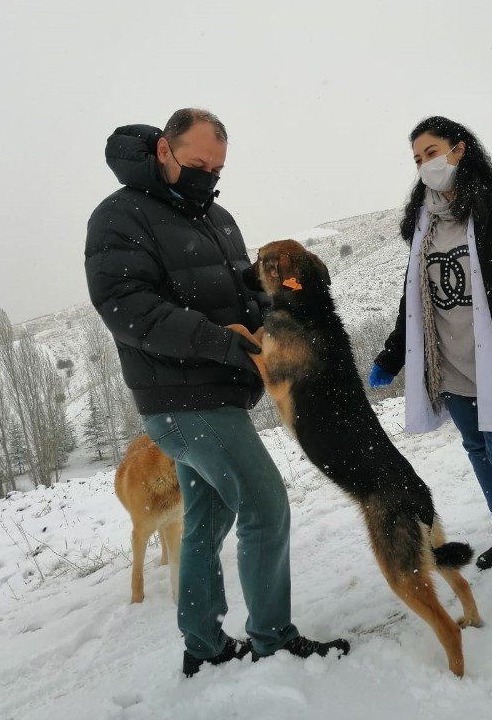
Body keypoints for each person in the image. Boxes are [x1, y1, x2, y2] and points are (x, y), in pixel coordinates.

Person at [85, 108, 349, 677]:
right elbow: (129, 311)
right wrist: (219, 341)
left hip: (221, 394)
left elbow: (245, 293)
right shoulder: (119, 218)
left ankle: (203, 646)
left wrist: (271, 327)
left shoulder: (216, 215)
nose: (209, 173)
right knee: (266, 505)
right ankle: (273, 639)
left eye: (218, 166)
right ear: (163, 150)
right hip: (182, 401)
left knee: (205, 523)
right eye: (198, 162)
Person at [368, 116, 492, 604]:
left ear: (458, 149)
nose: (424, 164)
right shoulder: (423, 220)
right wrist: (392, 357)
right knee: (477, 449)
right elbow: (413, 297)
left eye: (431, 152)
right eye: (416, 159)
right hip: (448, 363)